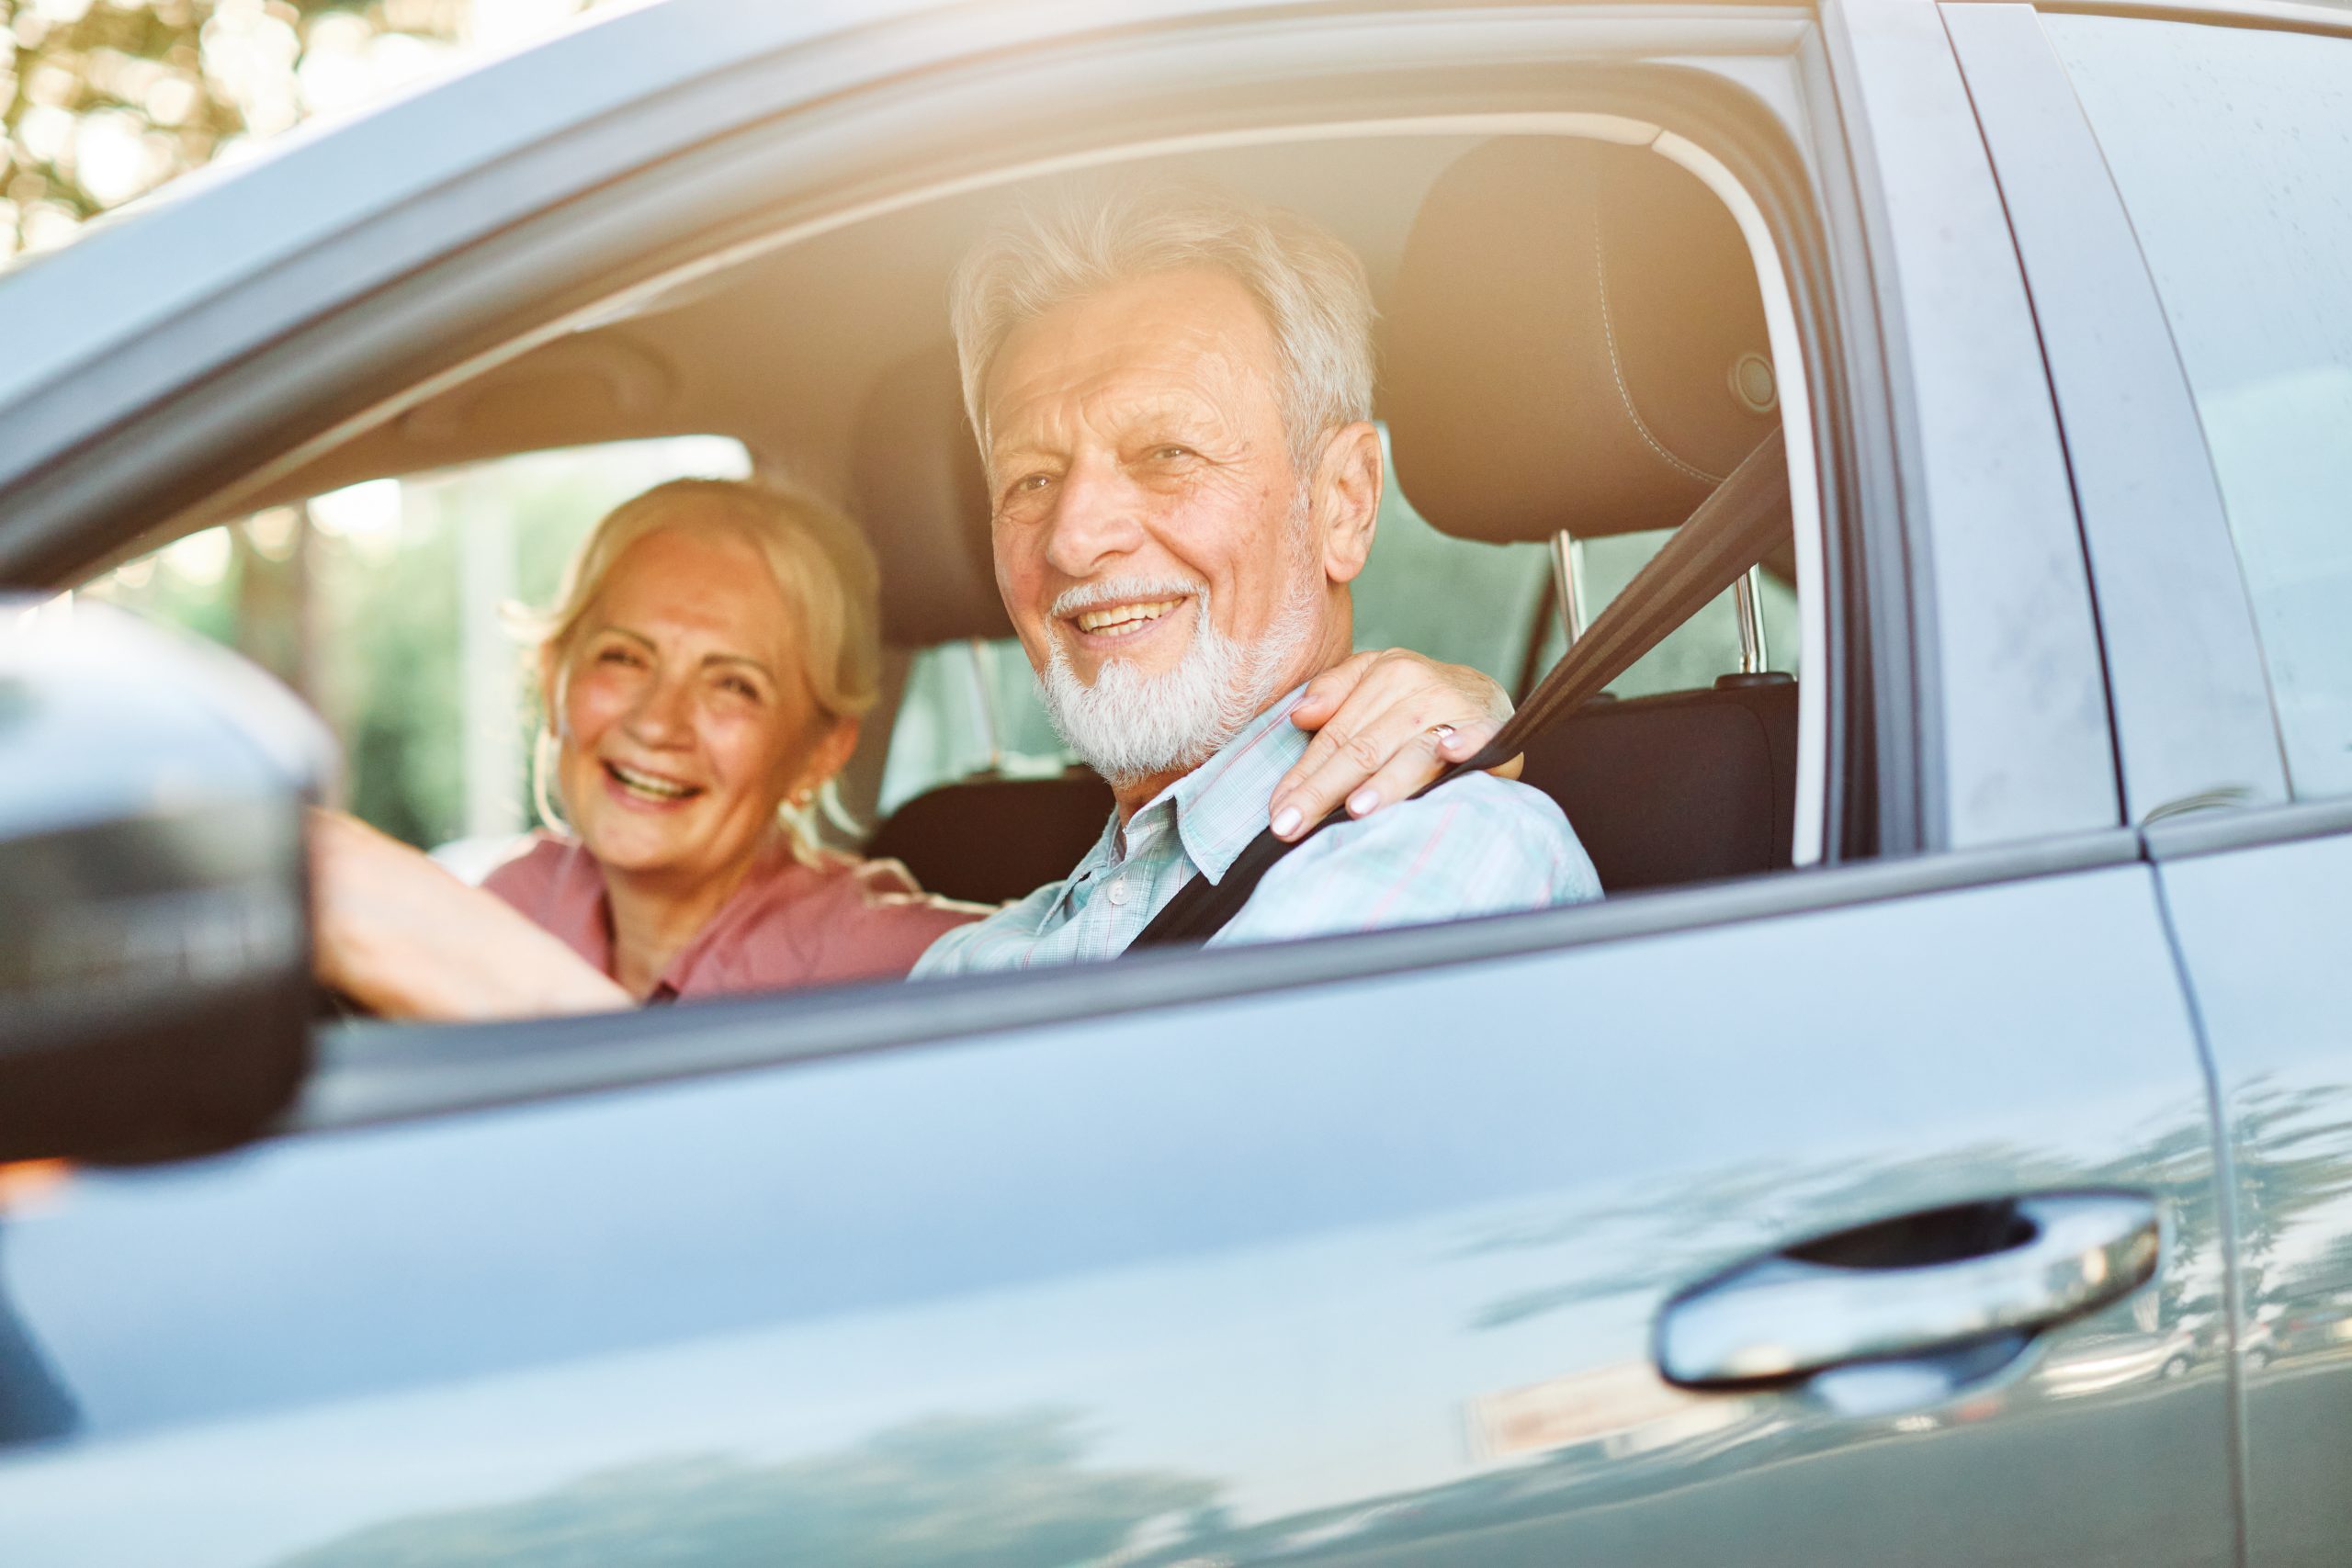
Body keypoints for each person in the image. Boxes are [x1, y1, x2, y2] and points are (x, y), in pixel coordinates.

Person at [311, 474, 1520, 1017]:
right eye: (622, 656)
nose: (656, 720)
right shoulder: (516, 892)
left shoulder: (898, 957)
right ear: (556, 679)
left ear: (820, 749)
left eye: (732, 682)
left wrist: (1476, 721)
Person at [914, 179, 1600, 976]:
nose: (1073, 538)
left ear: (1343, 503)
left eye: (1168, 453)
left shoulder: (1454, 852)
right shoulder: (969, 961)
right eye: (1031, 479)